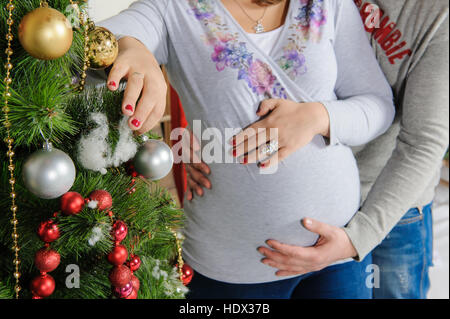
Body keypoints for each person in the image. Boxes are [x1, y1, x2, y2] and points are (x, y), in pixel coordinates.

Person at [99, 0, 395, 298]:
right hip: (229, 267)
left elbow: (378, 105)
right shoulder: (175, 7)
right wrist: (131, 47)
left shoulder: (329, 4)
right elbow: (91, 44)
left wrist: (318, 117)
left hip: (337, 253)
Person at [187, 0, 447, 299]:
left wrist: (358, 238)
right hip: (307, 203)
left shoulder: (438, 14)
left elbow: (424, 142)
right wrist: (196, 140)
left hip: (389, 208)